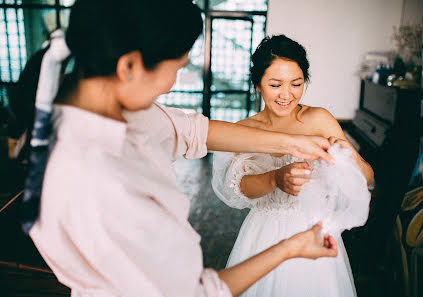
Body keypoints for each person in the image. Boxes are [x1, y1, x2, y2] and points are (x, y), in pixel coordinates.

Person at [17, 1, 340, 297]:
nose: (171, 84)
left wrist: (292, 141)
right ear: (129, 66)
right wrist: (289, 248)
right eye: (175, 68)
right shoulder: (97, 178)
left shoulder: (103, 105)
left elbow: (192, 130)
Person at [212, 35, 374, 297]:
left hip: (313, 230)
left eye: (296, 84)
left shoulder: (318, 119)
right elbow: (238, 188)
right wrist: (275, 178)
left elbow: (366, 177)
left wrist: (347, 156)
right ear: (258, 85)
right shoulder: (243, 130)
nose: (287, 94)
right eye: (275, 84)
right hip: (262, 234)